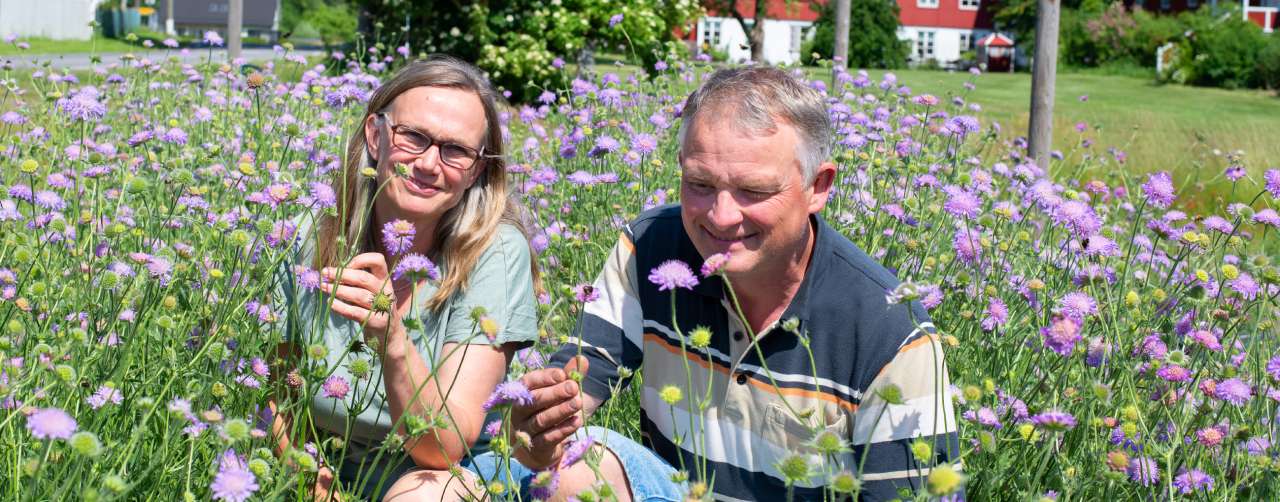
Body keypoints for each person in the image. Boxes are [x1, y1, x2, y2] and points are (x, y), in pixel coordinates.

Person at [497, 67, 961, 500]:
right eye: (699, 184)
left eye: (754, 191)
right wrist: (541, 428)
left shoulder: (890, 333)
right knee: (571, 463)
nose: (721, 217)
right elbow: (577, 385)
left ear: (818, 186)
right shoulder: (651, 246)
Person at [268, 56, 540, 501]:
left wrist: (394, 342)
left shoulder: (496, 251)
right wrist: (313, 486)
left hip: (448, 473)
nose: (430, 163)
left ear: (475, 170)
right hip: (324, 471)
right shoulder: (306, 234)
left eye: (456, 150)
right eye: (413, 137)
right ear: (376, 136)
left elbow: (445, 447)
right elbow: (277, 393)